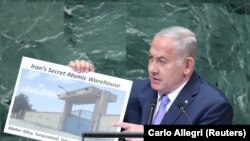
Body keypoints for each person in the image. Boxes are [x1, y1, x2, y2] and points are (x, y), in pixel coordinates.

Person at [69, 26, 233, 135]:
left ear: (187, 65)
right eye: (151, 58)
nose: (152, 68)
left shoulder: (214, 107)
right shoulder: (136, 90)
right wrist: (86, 77)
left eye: (162, 61)